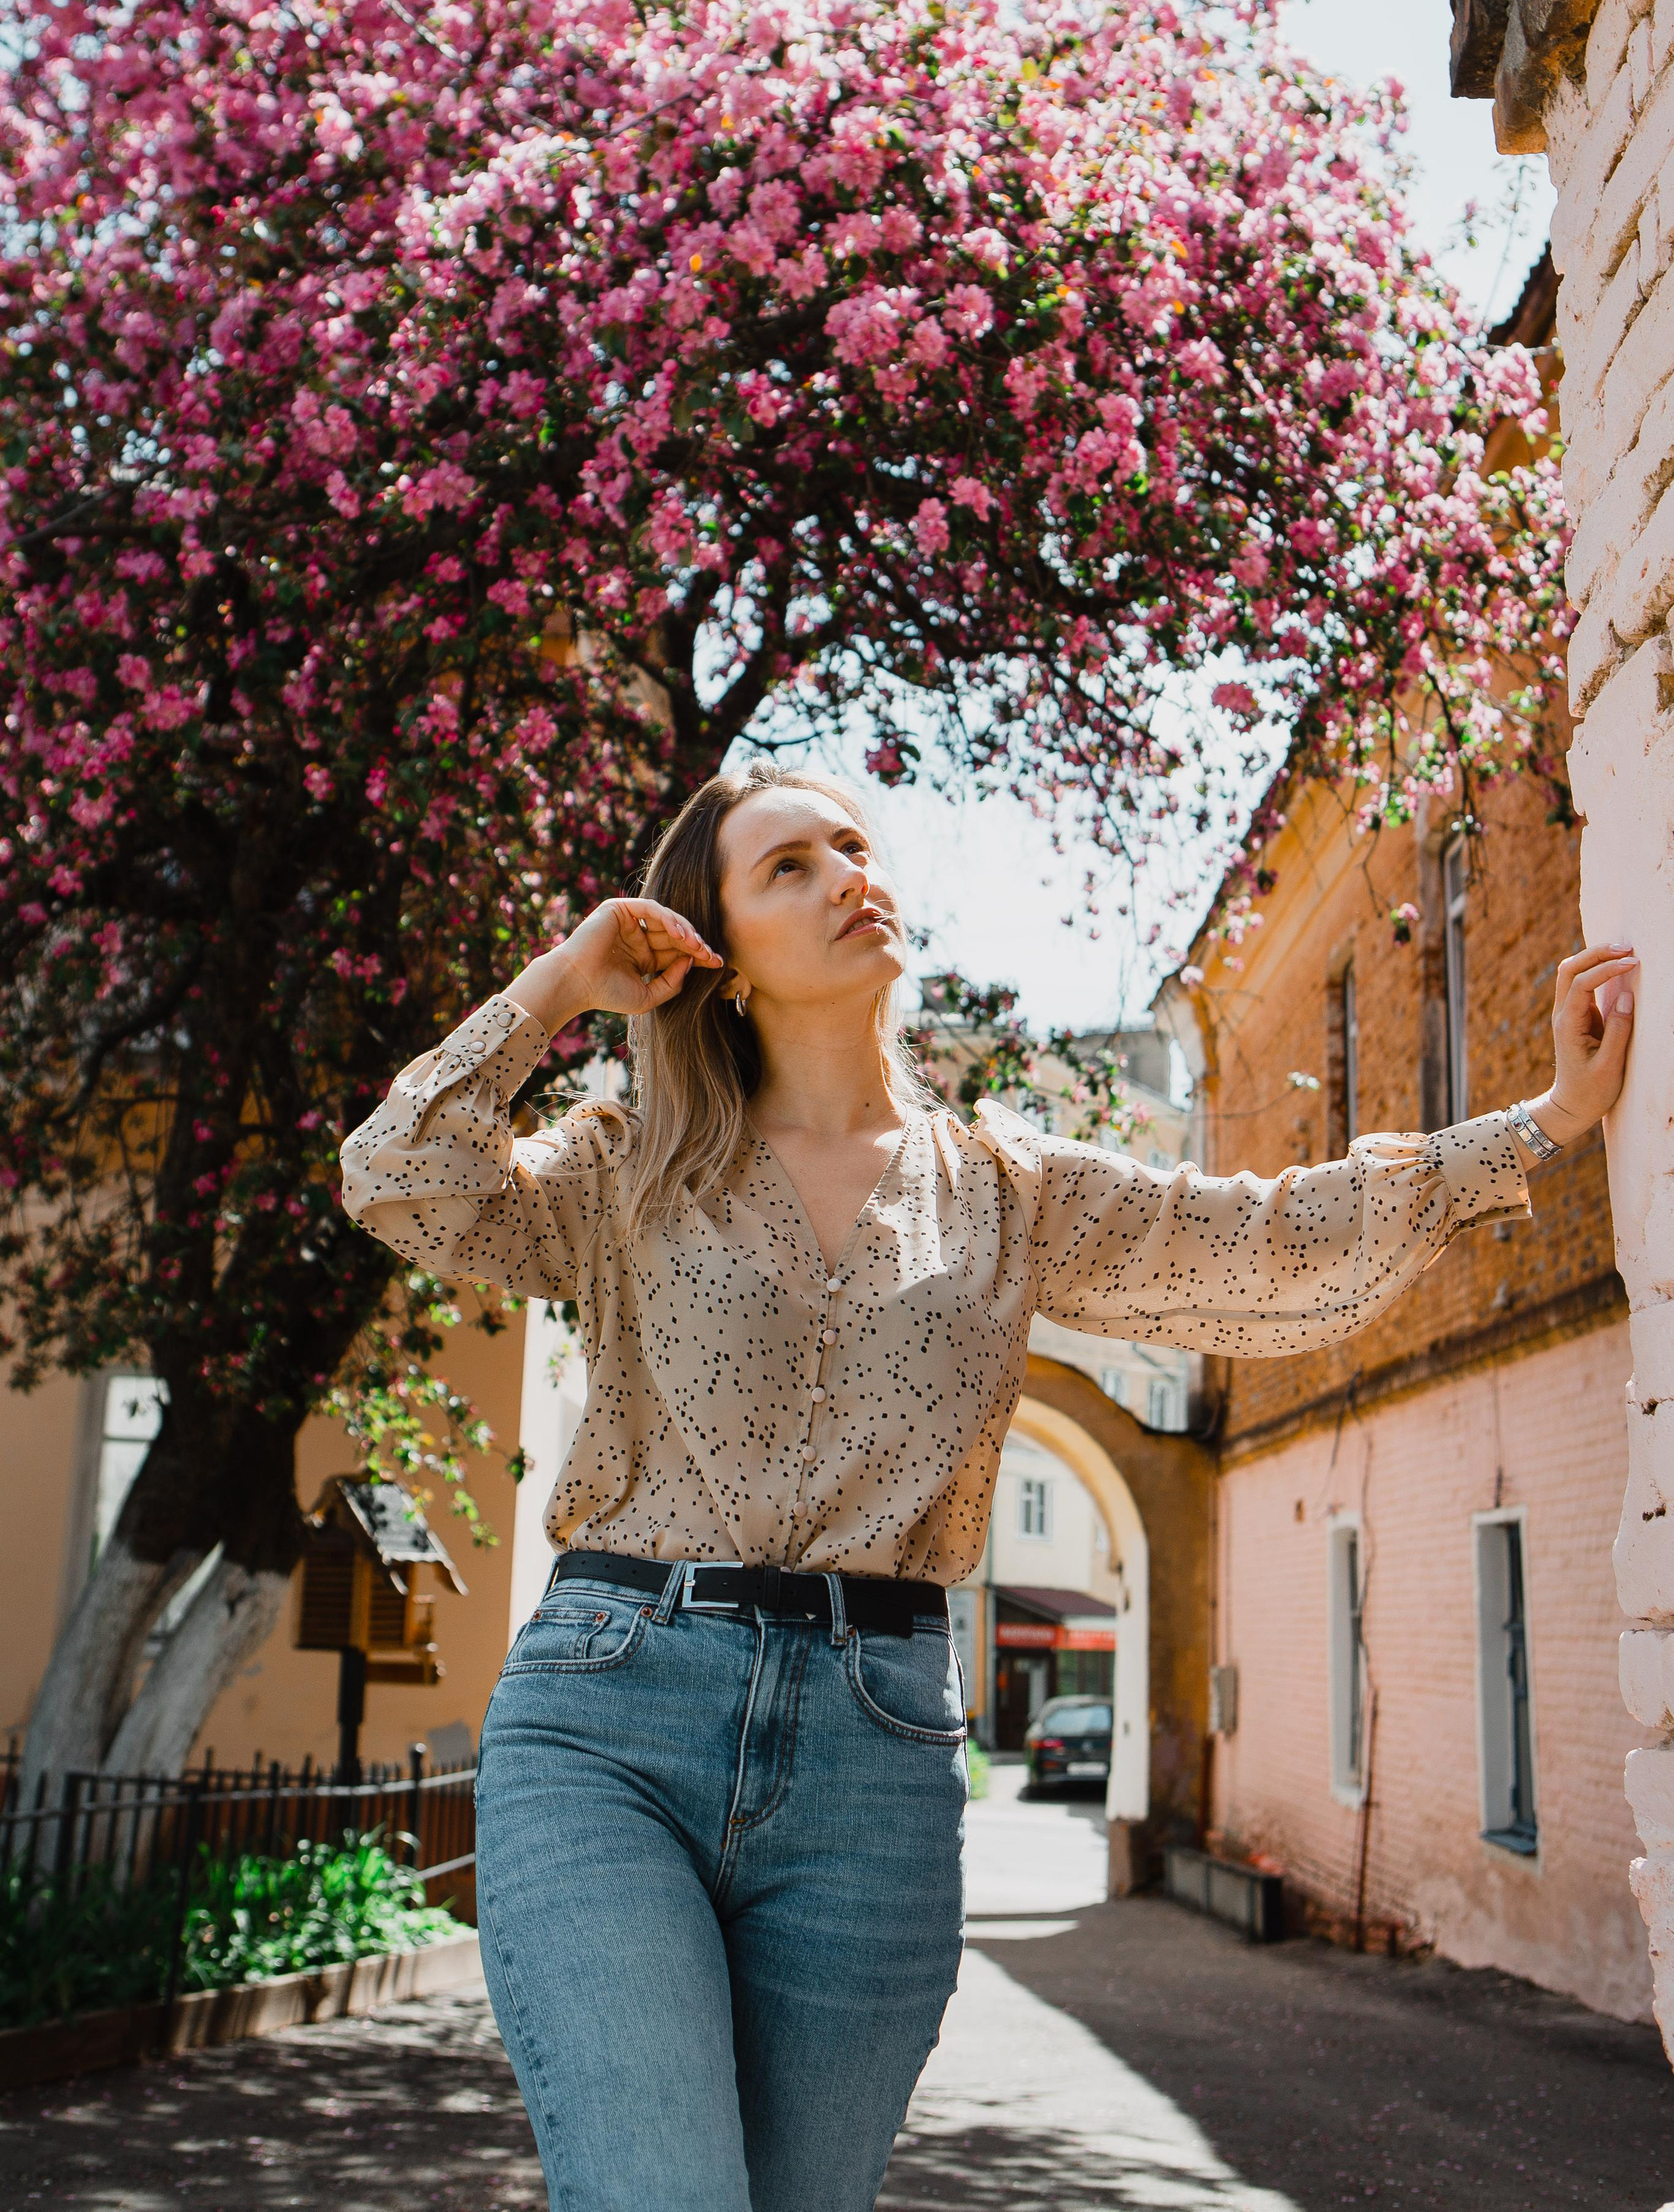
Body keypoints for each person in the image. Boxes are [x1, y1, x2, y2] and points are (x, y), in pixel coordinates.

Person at [339, 762, 1637, 2212]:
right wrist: (565, 982)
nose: (847, 875)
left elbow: (1263, 1243)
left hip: (869, 1753)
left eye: (853, 845)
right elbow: (399, 1176)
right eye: (787, 868)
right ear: (710, 951)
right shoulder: (624, 1167)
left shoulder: (1010, 1192)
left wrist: (1540, 1124)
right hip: (609, 1724)